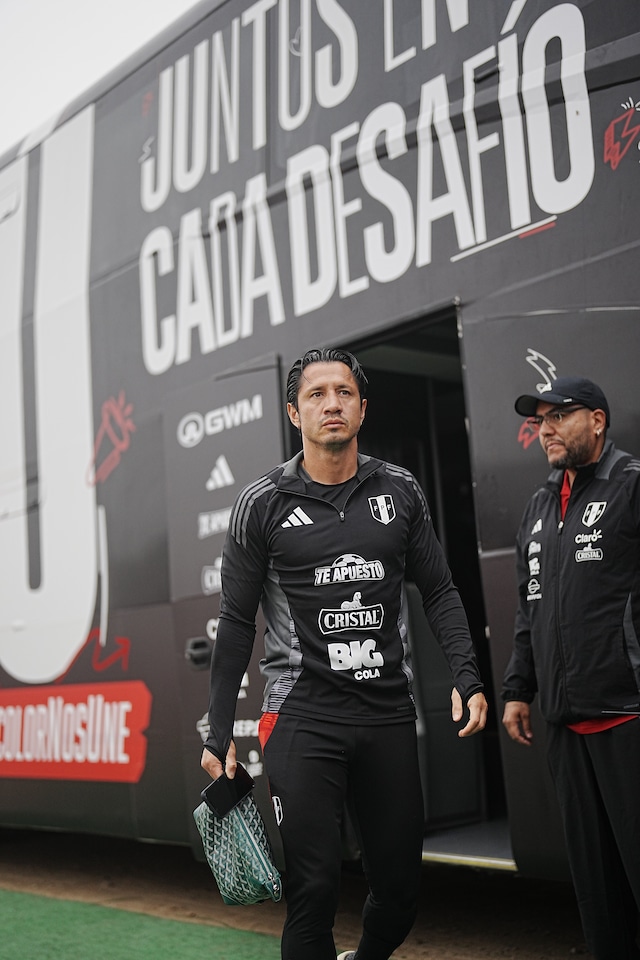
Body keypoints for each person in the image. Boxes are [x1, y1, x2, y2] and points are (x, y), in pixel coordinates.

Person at [201, 347, 488, 960]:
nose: (332, 403)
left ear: (363, 407)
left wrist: (466, 675)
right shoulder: (262, 503)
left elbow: (438, 590)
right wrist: (219, 730)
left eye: (344, 392)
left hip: (386, 713)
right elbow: (234, 622)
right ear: (293, 412)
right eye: (316, 394)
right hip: (302, 716)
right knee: (315, 891)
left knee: (401, 892)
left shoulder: (401, 490)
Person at [502, 376, 640, 960]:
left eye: (560, 415)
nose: (546, 428)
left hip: (627, 718)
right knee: (597, 893)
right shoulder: (538, 505)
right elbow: (530, 606)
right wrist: (517, 688)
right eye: (540, 419)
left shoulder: (631, 486)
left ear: (599, 421)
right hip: (564, 727)